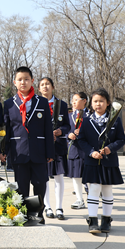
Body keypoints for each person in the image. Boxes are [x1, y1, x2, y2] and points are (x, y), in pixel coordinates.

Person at [1, 66, 55, 222]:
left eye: (26, 79)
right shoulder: (9, 103)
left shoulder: (42, 102)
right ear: (14, 82)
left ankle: (38, 213)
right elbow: (6, 129)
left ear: (32, 81)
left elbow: (47, 128)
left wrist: (50, 152)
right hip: (19, 151)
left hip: (39, 151)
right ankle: (24, 214)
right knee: (21, 186)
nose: (23, 82)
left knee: (40, 184)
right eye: (19, 80)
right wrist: (4, 150)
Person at [77, 88, 125, 234]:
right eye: (95, 101)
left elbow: (121, 139)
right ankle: (92, 220)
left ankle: (106, 219)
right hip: (92, 161)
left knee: (107, 190)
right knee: (94, 189)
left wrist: (110, 148)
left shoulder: (115, 120)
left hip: (108, 161)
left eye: (101, 101)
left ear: (108, 103)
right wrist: (91, 152)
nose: (98, 104)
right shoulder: (86, 121)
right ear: (91, 103)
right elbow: (81, 140)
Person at [38, 77, 70, 221]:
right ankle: (47, 206)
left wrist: (60, 131)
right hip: (41, 147)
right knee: (43, 177)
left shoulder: (61, 104)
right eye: (42, 85)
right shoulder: (36, 103)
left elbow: (67, 126)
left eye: (48, 84)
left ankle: (59, 207)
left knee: (59, 177)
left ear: (53, 86)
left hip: (58, 147)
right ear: (39, 88)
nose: (45, 87)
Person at [67, 92, 89, 209]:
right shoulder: (69, 116)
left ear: (84, 100)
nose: (74, 102)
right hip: (74, 150)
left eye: (76, 100)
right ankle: (79, 200)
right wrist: (69, 135)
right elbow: (66, 129)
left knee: (88, 177)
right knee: (76, 177)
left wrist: (83, 133)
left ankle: (91, 198)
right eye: (73, 100)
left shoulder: (90, 115)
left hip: (87, 151)